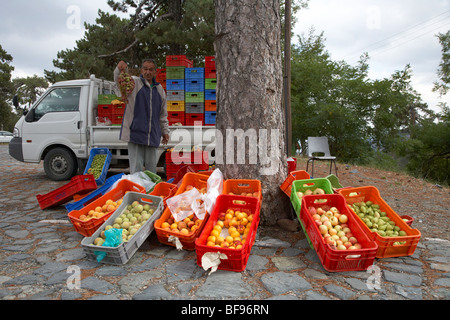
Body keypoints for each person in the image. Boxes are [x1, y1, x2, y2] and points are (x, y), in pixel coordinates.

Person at [114, 59, 170, 174]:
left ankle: (151, 191)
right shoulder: (134, 84)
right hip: (136, 134)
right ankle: (136, 191)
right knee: (136, 170)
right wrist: (119, 70)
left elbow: (162, 115)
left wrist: (165, 131)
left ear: (155, 72)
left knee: (152, 171)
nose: (148, 72)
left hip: (152, 135)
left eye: (151, 69)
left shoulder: (160, 90)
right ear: (141, 70)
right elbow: (119, 81)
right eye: (145, 69)